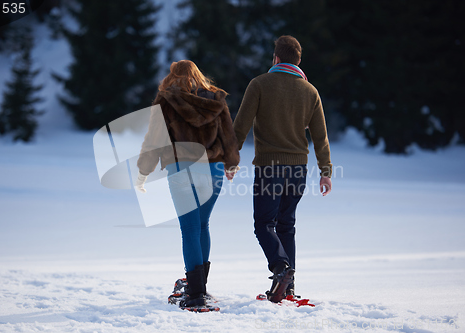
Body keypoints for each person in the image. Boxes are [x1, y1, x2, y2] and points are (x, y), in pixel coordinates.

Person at [233, 35, 332, 303]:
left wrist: (230, 159)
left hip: (269, 167)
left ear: (275, 58)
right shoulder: (310, 91)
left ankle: (281, 269)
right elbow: (320, 137)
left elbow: (240, 127)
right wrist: (326, 171)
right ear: (298, 61)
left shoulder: (260, 84)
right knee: (286, 224)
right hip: (299, 168)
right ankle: (287, 288)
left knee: (264, 224)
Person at [136, 60, 240, 309]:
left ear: (172, 77)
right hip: (213, 169)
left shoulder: (165, 100)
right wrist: (231, 164)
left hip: (181, 167)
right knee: (203, 225)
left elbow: (153, 140)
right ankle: (200, 289)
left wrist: (143, 171)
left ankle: (195, 295)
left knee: (190, 228)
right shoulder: (216, 99)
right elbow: (228, 135)